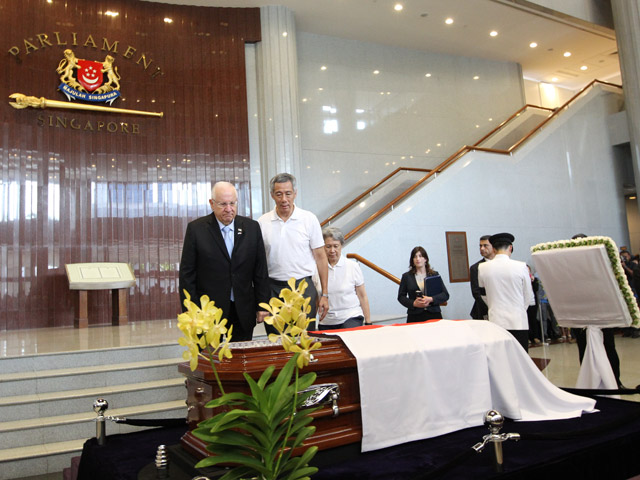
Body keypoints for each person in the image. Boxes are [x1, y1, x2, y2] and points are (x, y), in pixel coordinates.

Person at [179, 181, 270, 342]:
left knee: (240, 362)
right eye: (222, 204)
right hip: (208, 313)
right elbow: (187, 274)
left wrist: (263, 304)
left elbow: (260, 270)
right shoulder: (196, 229)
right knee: (212, 361)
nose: (229, 209)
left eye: (232, 203)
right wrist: (191, 309)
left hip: (242, 310)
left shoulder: (251, 227)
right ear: (211, 204)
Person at [258, 173, 329, 332]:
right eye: (279, 194)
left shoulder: (308, 219)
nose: (284, 199)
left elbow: (321, 257)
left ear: (295, 193)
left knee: (305, 338)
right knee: (276, 339)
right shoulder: (262, 222)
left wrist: (324, 294)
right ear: (272, 195)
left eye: (288, 193)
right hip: (273, 289)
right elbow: (258, 263)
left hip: (303, 287)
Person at [478, 232, 534, 352]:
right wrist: (519, 308)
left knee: (501, 357)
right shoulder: (521, 266)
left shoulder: (482, 268)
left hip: (496, 319)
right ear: (510, 247)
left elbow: (483, 294)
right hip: (518, 319)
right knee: (521, 357)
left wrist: (494, 306)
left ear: (493, 248)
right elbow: (528, 294)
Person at [314, 226, 372, 330]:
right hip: (327, 320)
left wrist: (368, 322)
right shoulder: (316, 269)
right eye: (328, 246)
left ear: (341, 246)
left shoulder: (352, 266)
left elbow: (362, 296)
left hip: (351, 316)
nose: (332, 250)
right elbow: (315, 298)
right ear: (323, 247)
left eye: (336, 246)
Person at [397, 246, 449, 322]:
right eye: (415, 257)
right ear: (412, 260)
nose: (418, 259)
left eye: (420, 256)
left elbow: (445, 294)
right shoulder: (406, 276)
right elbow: (401, 297)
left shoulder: (434, 275)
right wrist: (413, 303)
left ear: (425, 259)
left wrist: (431, 299)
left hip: (433, 314)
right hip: (414, 315)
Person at [469, 235, 495, 319]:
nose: (482, 248)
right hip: (483, 310)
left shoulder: (502, 265)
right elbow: (476, 293)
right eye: (480, 246)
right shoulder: (476, 267)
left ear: (493, 246)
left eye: (485, 245)